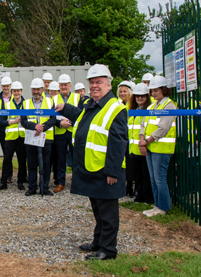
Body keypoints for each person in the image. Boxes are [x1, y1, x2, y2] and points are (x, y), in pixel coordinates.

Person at [56, 64, 128, 260]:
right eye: (92, 82)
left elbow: (119, 141)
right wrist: (68, 109)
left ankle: (108, 250)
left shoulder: (115, 108)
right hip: (93, 168)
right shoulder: (93, 104)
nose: (95, 85)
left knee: (108, 214)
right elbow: (83, 120)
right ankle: (99, 242)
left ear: (108, 84)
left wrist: (113, 171)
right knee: (98, 211)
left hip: (106, 171)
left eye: (99, 82)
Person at [138, 76, 177, 217]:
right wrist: (142, 140)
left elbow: (163, 128)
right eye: (152, 91)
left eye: (156, 90)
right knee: (153, 179)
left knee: (160, 179)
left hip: (161, 148)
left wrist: (146, 141)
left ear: (164, 90)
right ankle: (157, 205)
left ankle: (163, 207)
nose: (153, 93)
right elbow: (143, 124)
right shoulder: (153, 106)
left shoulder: (170, 105)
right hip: (151, 147)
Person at [21, 78, 57, 196]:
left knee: (46, 164)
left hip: (46, 137)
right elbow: (23, 121)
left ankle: (44, 187)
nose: (36, 91)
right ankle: (32, 187)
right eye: (34, 89)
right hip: (32, 137)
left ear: (42, 89)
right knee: (31, 164)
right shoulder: (25, 103)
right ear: (31, 89)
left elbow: (53, 119)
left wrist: (42, 127)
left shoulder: (50, 102)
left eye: (38, 89)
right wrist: (35, 126)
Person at [0, 81, 28, 191]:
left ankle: (20, 182)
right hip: (10, 137)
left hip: (22, 136)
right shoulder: (7, 105)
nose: (16, 92)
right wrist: (13, 122)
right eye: (14, 91)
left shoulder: (27, 104)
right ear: (12, 92)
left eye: (18, 90)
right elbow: (1, 122)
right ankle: (3, 182)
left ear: (21, 91)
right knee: (6, 160)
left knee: (22, 161)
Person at [52, 74, 81, 193]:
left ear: (70, 85)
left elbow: (81, 114)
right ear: (59, 86)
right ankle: (60, 182)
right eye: (62, 85)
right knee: (60, 158)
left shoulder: (77, 97)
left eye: (66, 85)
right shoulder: (53, 99)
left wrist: (71, 123)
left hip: (73, 132)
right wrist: (60, 124)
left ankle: (77, 182)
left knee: (76, 158)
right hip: (60, 132)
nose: (64, 87)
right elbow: (51, 117)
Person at [128, 83, 154, 204]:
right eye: (137, 96)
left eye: (142, 96)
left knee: (146, 175)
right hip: (133, 148)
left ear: (147, 96)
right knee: (137, 175)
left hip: (143, 148)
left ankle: (148, 198)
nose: (139, 98)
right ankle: (139, 196)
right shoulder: (132, 110)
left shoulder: (149, 110)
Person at [118, 80, 135, 197]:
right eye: (121, 91)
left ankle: (130, 186)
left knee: (130, 162)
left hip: (131, 137)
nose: (123, 93)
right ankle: (124, 186)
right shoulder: (118, 104)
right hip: (121, 136)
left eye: (125, 91)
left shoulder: (133, 105)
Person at [0, 76, 13, 183]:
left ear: (10, 86)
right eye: (4, 86)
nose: (6, 87)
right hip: (2, 129)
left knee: (20, 155)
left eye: (7, 85)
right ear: (1, 86)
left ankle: (22, 175)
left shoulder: (17, 97)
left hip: (14, 130)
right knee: (6, 154)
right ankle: (8, 175)